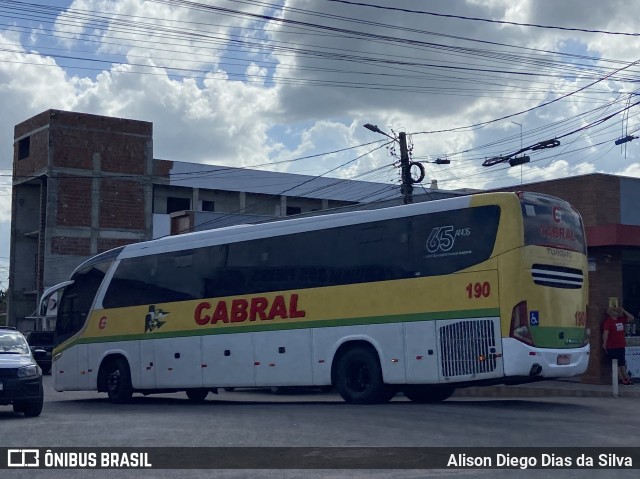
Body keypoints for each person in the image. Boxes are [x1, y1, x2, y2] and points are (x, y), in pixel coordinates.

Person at [602, 306, 635, 385]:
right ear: (610, 313)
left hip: (621, 345)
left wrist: (624, 310)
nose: (617, 312)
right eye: (614, 310)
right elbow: (606, 333)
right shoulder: (608, 322)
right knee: (616, 363)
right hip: (612, 346)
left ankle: (626, 377)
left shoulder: (620, 320)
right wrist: (604, 343)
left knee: (622, 362)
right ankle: (621, 378)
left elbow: (631, 318)